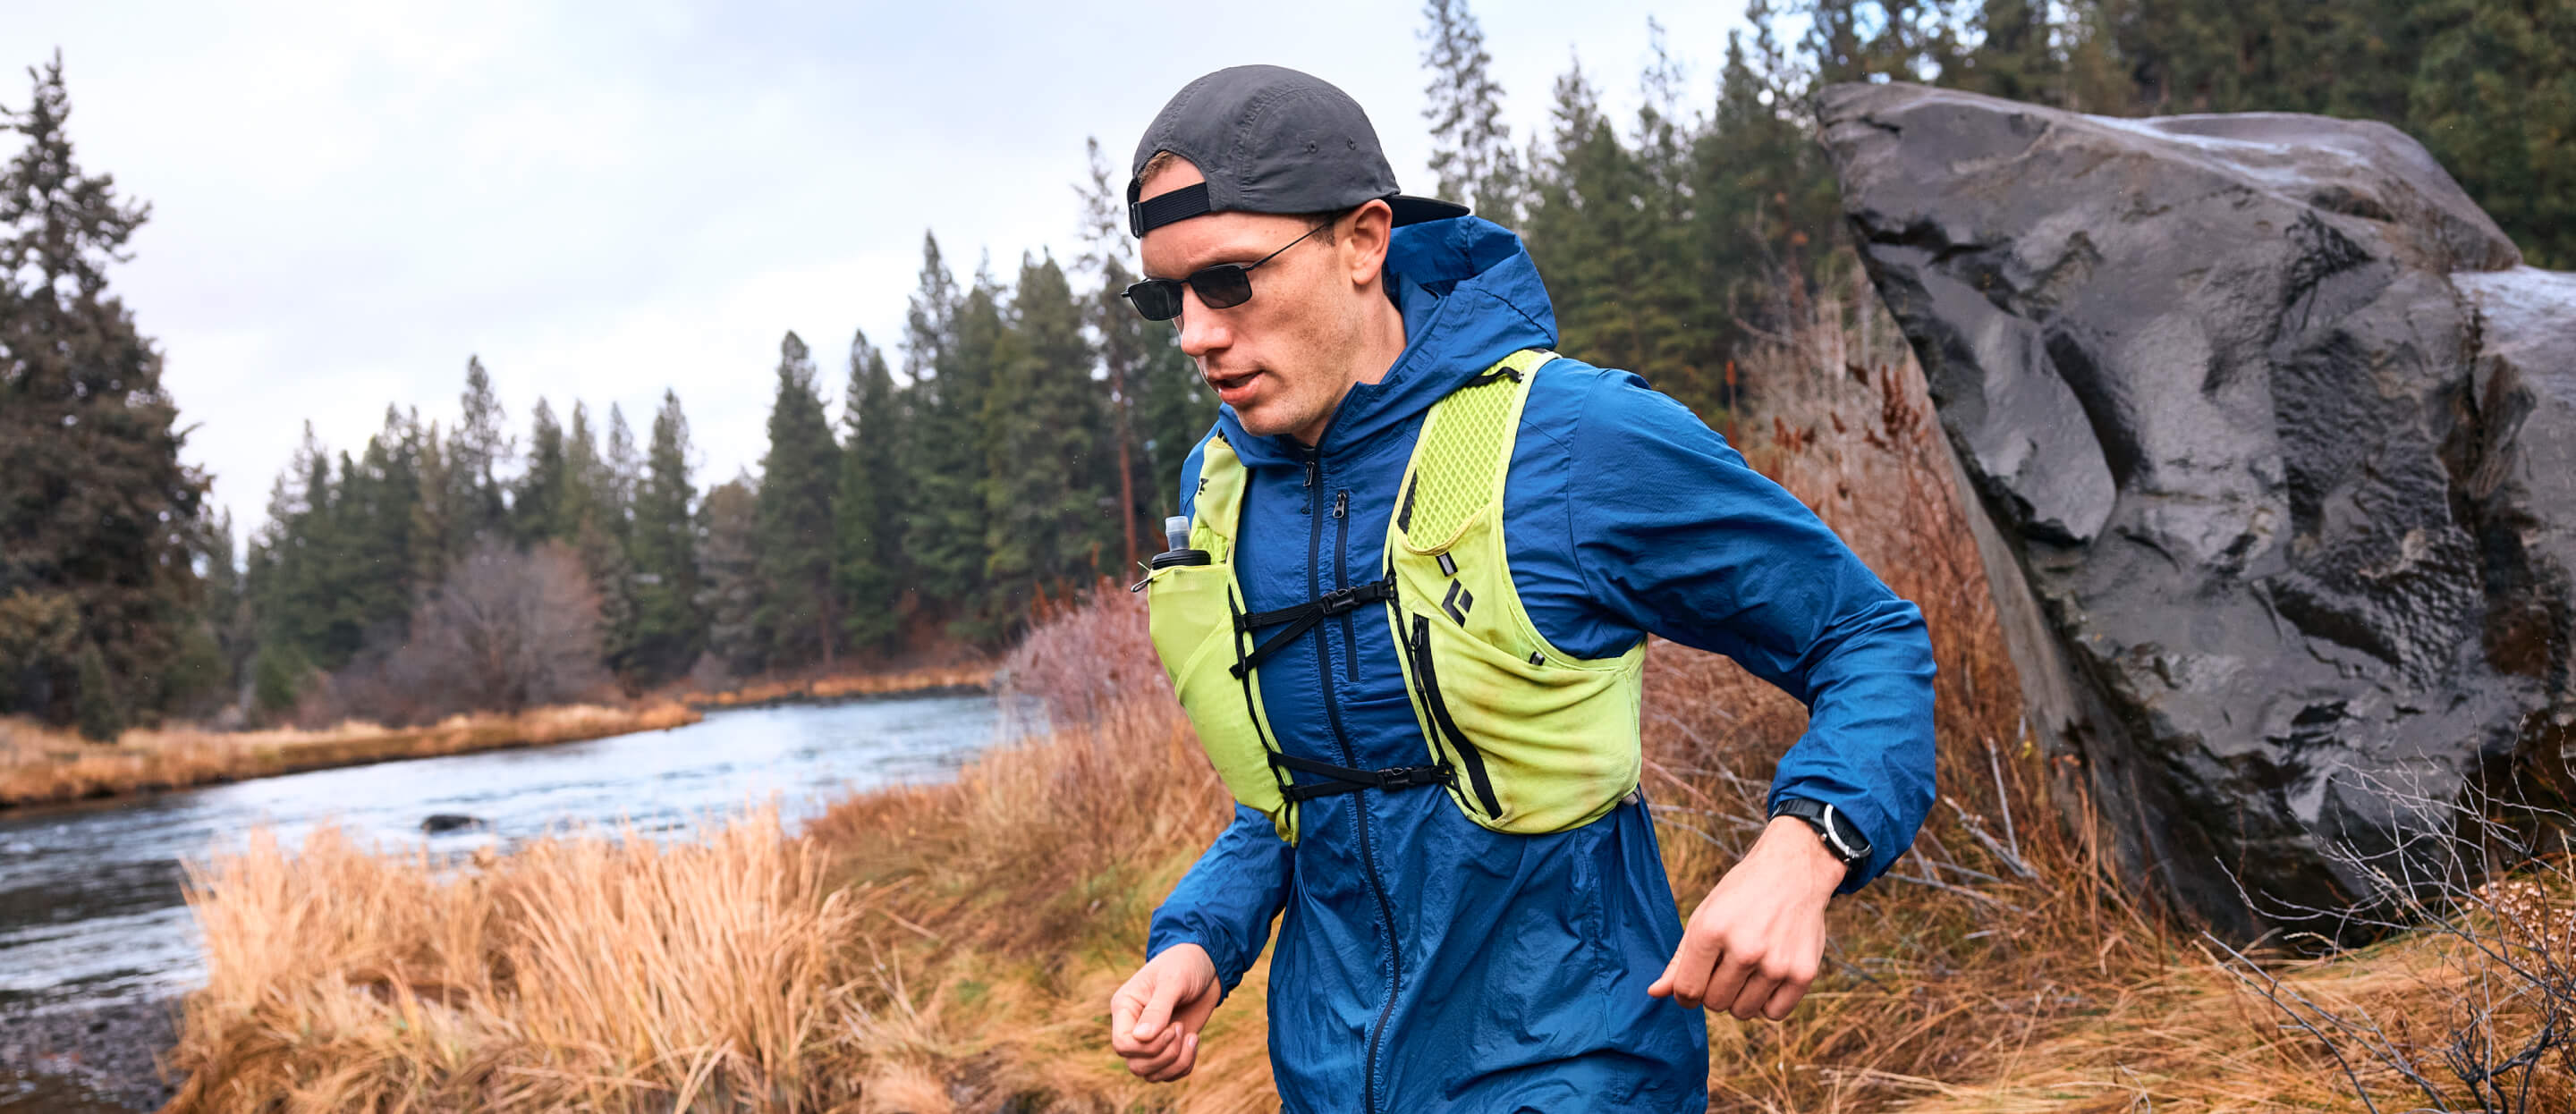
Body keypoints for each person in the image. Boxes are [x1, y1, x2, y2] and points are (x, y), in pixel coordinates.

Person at [1107, 64, 1936, 1112]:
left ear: (1364, 241)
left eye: (1229, 281)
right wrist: (1201, 938)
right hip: (1327, 1078)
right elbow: (1304, 794)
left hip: (1576, 1067)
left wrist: (1807, 844)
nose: (1194, 333)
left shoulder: (1574, 440)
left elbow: (1867, 637)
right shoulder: (1222, 494)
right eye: (1164, 296)